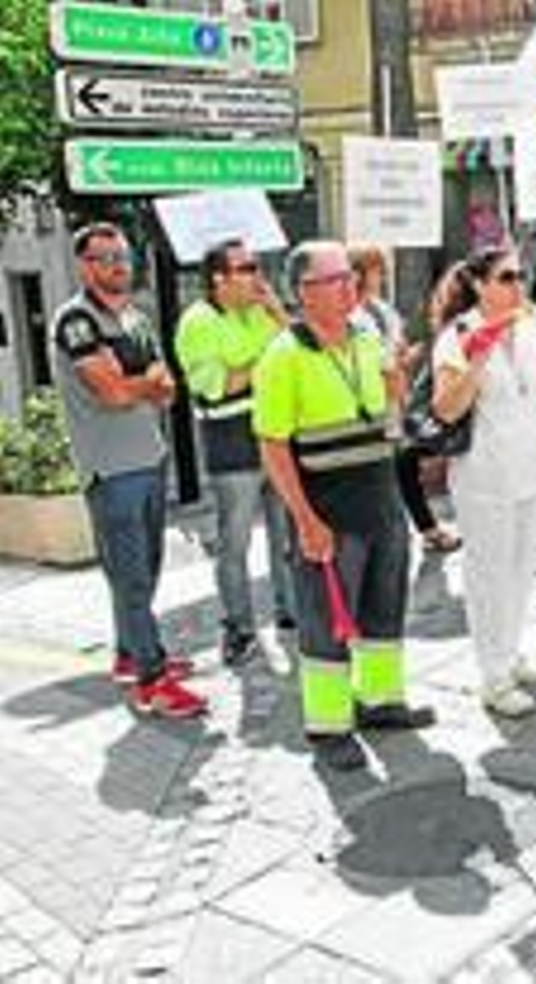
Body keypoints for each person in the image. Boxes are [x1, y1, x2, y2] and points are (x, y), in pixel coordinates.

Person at [254, 241, 435, 772]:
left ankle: (380, 702)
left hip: (381, 502)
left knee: (384, 606)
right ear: (305, 292)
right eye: (336, 279)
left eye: (351, 277)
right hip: (327, 511)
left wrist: (398, 388)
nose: (351, 286)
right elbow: (273, 446)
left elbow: (390, 415)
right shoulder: (282, 356)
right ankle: (329, 726)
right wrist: (306, 521)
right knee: (326, 622)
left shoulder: (366, 334)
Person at [52, 223, 204, 718]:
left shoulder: (136, 318)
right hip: (111, 469)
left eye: (122, 255)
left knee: (147, 569)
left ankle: (128, 653)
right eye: (105, 257)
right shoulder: (76, 321)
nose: (118, 265)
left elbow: (169, 387)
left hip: (149, 456)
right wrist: (143, 384)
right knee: (132, 577)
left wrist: (136, 382)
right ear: (85, 265)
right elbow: (112, 393)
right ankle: (152, 680)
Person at [430, 248, 536, 718]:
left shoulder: (530, 329)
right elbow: (446, 408)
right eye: (507, 277)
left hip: (531, 466)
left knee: (520, 568)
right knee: (488, 574)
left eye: (521, 276)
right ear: (479, 284)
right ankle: (492, 676)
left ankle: (510, 654)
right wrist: (475, 362)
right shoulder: (459, 334)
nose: (518, 285)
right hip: (483, 474)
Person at [174, 238, 298, 666]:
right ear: (219, 279)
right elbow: (218, 384)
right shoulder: (198, 321)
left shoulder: (262, 311)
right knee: (236, 542)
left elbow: (298, 351)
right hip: (233, 441)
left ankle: (291, 613)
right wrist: (267, 364)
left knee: (288, 536)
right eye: (246, 269)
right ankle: (239, 627)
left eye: (257, 266)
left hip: (277, 434)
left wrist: (278, 311)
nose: (257, 276)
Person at [350, 245, 460, 554]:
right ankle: (409, 532)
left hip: (396, 401)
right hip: (370, 406)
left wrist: (406, 358)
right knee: (392, 469)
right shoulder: (350, 315)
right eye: (376, 270)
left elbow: (396, 351)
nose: (382, 276)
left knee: (403, 464)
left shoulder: (383, 309)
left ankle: (422, 530)